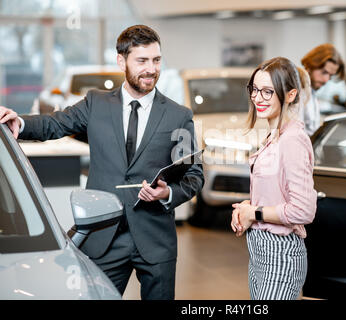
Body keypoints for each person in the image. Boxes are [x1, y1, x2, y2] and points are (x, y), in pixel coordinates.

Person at [0, 25, 204, 300]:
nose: (151, 69)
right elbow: (55, 123)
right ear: (121, 61)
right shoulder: (96, 103)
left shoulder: (178, 116)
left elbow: (194, 174)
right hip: (104, 237)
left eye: (156, 60)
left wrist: (168, 193)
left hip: (155, 241)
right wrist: (20, 123)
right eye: (142, 61)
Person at [231, 57, 317, 300]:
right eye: (255, 89)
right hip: (260, 254)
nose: (258, 98)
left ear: (290, 95)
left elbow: (303, 210)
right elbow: (275, 193)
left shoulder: (292, 140)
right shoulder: (275, 136)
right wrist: (247, 207)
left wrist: (255, 213)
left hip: (279, 257)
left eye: (268, 92)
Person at [300, 43, 346, 136]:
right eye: (324, 72)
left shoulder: (311, 93)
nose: (326, 80)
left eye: (330, 75)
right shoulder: (296, 95)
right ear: (310, 65)